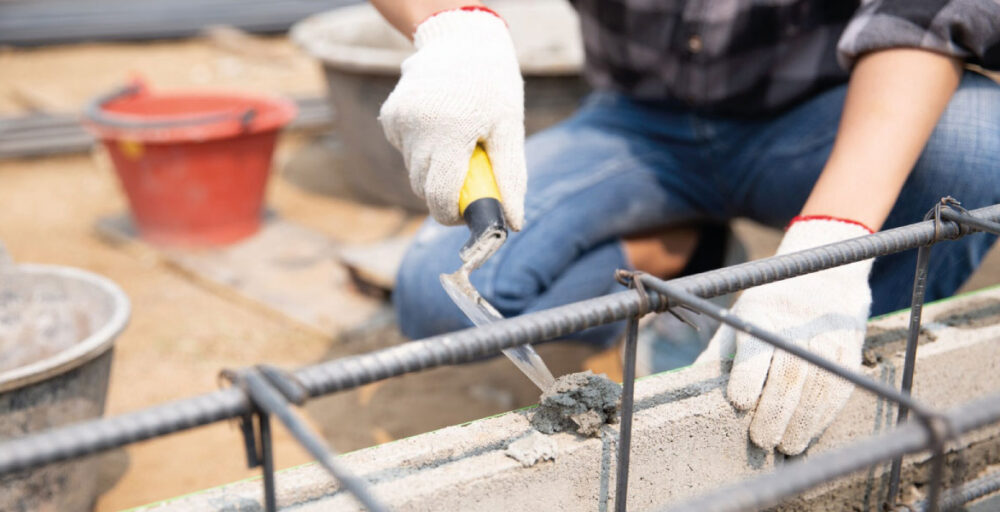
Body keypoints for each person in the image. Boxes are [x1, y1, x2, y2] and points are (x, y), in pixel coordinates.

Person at [369, 0, 1000, 455]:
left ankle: (824, 393)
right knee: (433, 294)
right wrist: (454, 24)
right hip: (640, 126)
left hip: (821, 115)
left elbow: (930, 12)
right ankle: (691, 252)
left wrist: (833, 238)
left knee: (981, 144)